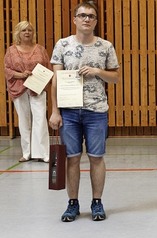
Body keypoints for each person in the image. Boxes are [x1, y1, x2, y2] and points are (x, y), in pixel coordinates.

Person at [49, 2, 120, 222]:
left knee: (96, 157)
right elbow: (55, 81)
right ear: (75, 19)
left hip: (96, 111)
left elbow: (115, 77)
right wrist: (55, 111)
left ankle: (97, 202)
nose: (87, 19)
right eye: (82, 15)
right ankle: (73, 203)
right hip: (69, 112)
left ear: (96, 21)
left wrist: (98, 71)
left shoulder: (105, 46)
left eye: (91, 16)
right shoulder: (62, 45)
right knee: (72, 158)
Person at [4, 21, 50, 163]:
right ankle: (27, 152)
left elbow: (48, 67)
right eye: (24, 30)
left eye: (30, 30)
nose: (27, 33)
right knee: (24, 121)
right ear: (18, 32)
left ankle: (43, 153)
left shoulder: (40, 49)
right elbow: (7, 70)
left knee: (40, 118)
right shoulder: (11, 50)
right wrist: (21, 75)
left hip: (37, 87)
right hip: (18, 88)